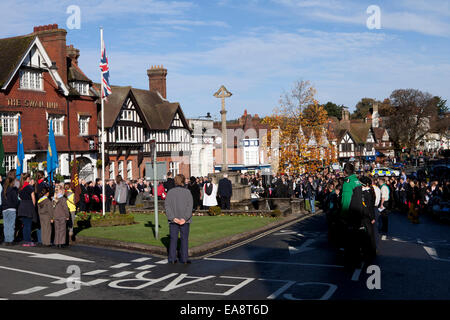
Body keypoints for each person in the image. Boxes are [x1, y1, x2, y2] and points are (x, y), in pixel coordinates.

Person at [165, 174, 193, 264]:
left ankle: (172, 259)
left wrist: (173, 218)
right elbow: (190, 207)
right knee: (184, 239)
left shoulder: (170, 192)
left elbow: (167, 206)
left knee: (173, 240)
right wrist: (184, 219)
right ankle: (184, 259)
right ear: (183, 181)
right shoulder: (187, 192)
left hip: (174, 220)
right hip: (184, 220)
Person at [18, 173, 37, 247]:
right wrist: (33, 206)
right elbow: (33, 198)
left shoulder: (21, 187)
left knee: (25, 225)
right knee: (28, 225)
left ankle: (25, 240)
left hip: (22, 206)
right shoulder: (29, 187)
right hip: (28, 206)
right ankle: (28, 241)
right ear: (28, 178)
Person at [1, 171, 19, 245]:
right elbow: (15, 200)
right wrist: (16, 204)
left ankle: (7, 239)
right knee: (11, 225)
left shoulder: (4, 189)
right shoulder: (13, 189)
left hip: (5, 208)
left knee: (6, 225)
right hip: (11, 208)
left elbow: (2, 199)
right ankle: (10, 240)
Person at [52, 184, 70, 248]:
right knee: (62, 230)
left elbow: (52, 208)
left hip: (55, 216)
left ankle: (56, 242)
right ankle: (61, 243)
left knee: (57, 230)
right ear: (61, 191)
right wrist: (67, 215)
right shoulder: (63, 199)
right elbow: (65, 208)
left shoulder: (53, 199)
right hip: (62, 216)